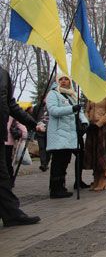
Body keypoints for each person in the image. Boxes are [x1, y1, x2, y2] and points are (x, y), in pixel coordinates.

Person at [0, 67, 42, 226]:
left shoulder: (3, 74)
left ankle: (11, 214)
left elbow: (11, 104)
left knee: (3, 177)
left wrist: (32, 123)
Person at [46, 74, 90, 198]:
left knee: (65, 161)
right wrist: (71, 109)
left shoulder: (72, 95)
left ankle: (62, 186)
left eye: (66, 79)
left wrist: (85, 122)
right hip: (59, 133)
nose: (64, 81)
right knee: (58, 162)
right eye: (61, 79)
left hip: (71, 134)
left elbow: (79, 111)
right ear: (57, 81)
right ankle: (55, 189)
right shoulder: (53, 94)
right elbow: (53, 110)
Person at [84, 90, 106, 192]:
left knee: (102, 153)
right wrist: (87, 121)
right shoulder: (92, 94)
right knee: (94, 153)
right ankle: (96, 177)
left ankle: (103, 178)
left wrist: (98, 123)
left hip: (103, 127)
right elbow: (87, 110)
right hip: (92, 127)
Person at [5, 116, 27, 184]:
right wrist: (24, 135)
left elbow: (19, 124)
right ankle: (10, 180)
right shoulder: (10, 112)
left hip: (7, 142)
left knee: (6, 162)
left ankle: (8, 180)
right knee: (7, 162)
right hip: (8, 142)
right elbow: (19, 124)